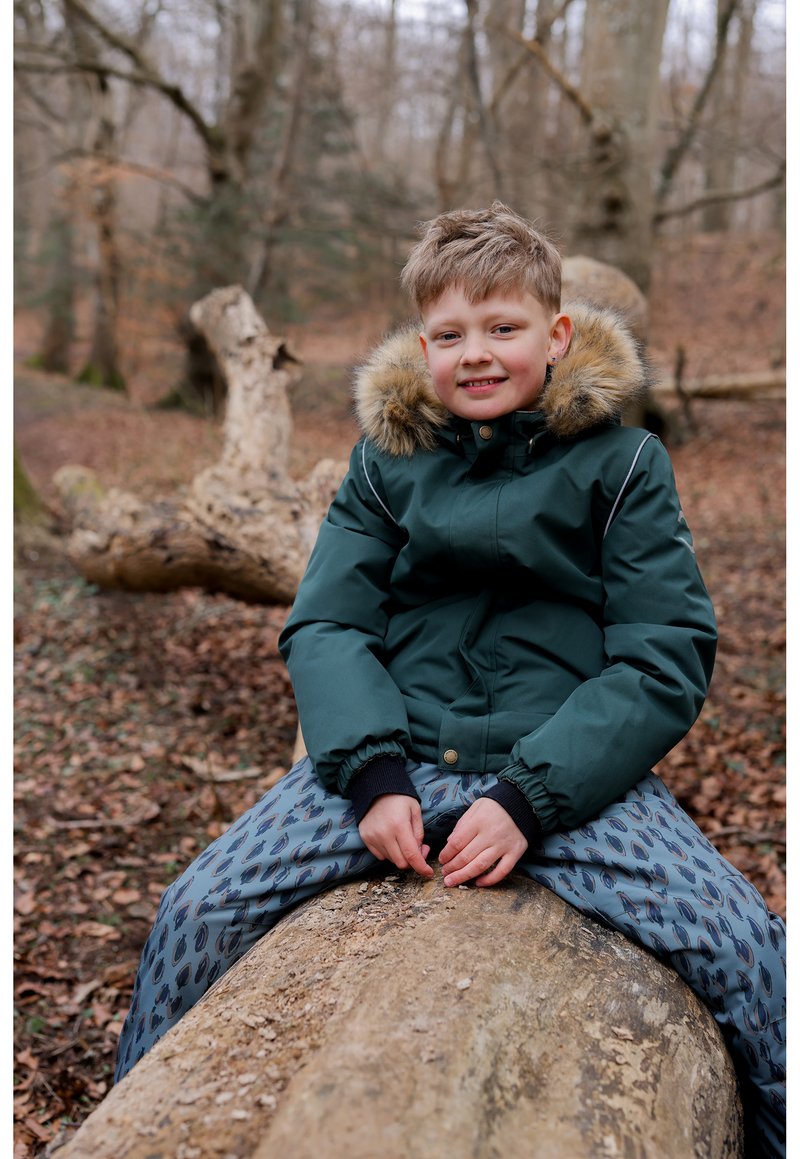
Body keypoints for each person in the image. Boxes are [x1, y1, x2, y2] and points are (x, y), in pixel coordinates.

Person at [114, 203, 785, 1156]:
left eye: (503, 328)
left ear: (556, 335)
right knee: (196, 910)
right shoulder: (388, 465)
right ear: (420, 343)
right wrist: (373, 776)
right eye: (450, 334)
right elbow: (329, 622)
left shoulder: (624, 465)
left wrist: (530, 797)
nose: (477, 354)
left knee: (745, 950)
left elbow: (663, 650)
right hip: (399, 753)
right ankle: (140, 1121)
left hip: (567, 781)